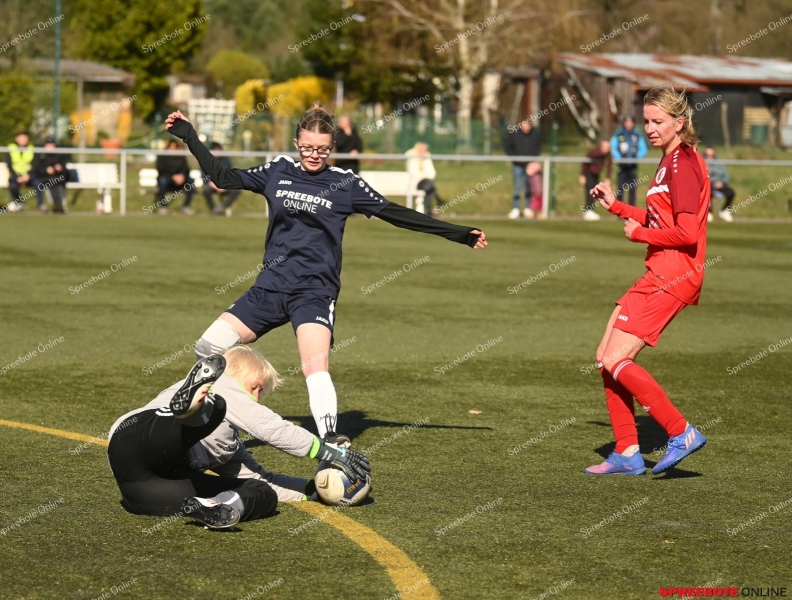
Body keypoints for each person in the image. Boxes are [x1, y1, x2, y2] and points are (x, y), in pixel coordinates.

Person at [164, 102, 487, 446]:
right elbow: (223, 178)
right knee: (208, 346)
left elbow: (396, 213)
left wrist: (458, 233)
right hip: (270, 287)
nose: (313, 154)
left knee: (314, 367)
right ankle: (209, 415)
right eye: (306, 147)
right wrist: (190, 136)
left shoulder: (346, 184)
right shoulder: (278, 170)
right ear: (296, 143)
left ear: (332, 147)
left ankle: (331, 440)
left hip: (314, 292)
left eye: (321, 148)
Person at [585, 83, 710, 476]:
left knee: (615, 358)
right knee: (605, 358)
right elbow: (663, 220)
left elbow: (687, 233)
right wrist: (618, 207)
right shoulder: (668, 160)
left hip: (673, 273)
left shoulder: (683, 163)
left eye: (658, 121)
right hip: (661, 270)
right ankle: (627, 450)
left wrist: (639, 234)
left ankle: (680, 431)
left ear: (679, 121)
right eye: (646, 121)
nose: (650, 128)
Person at [107, 349, 371, 529]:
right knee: (213, 408)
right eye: (255, 386)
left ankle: (219, 506)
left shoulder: (226, 443)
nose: (256, 397)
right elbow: (270, 427)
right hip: (136, 434)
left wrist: (312, 490)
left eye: (261, 392)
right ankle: (190, 411)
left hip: (141, 487)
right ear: (231, 372)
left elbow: (260, 478)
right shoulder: (224, 385)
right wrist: (330, 452)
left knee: (261, 491)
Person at [504, 120, 541, 219]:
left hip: (530, 166)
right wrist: (515, 158)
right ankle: (515, 208)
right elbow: (508, 147)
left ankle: (528, 208)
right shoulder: (514, 134)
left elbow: (537, 148)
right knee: (517, 186)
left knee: (529, 187)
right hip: (517, 165)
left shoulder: (535, 134)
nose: (526, 128)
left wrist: (532, 161)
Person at [610, 115, 648, 206]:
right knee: (620, 189)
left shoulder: (637, 135)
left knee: (632, 189)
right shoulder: (619, 134)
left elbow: (643, 149)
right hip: (622, 166)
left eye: (630, 122)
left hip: (633, 167)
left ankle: (632, 211)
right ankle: (618, 210)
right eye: (626, 122)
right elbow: (612, 147)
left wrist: (636, 158)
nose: (628, 124)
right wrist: (619, 158)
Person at [198, 142, 242, 217]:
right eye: (215, 150)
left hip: (225, 184)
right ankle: (213, 209)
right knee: (206, 189)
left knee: (236, 190)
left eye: (219, 149)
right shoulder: (205, 161)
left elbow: (229, 175)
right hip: (212, 185)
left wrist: (224, 185)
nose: (217, 152)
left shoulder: (226, 160)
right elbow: (205, 178)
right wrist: (217, 186)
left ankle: (221, 207)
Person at [5, 131, 44, 213]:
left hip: (30, 175)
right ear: (17, 139)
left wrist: (28, 175)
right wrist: (17, 176)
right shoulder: (11, 148)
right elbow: (9, 164)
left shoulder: (32, 148)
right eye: (21, 138)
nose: (23, 140)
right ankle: (19, 203)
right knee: (13, 185)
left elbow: (35, 164)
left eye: (25, 138)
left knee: (38, 183)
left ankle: (41, 205)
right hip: (15, 175)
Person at [32, 137, 71, 213]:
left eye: (52, 145)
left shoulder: (59, 155)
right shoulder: (40, 155)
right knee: (48, 182)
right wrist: (46, 170)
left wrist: (60, 168)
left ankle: (58, 205)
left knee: (55, 182)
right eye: (48, 145)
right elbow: (36, 170)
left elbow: (65, 171)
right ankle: (50, 205)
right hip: (43, 178)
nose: (50, 147)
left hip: (57, 178)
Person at [155, 140, 194, 215]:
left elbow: (186, 169)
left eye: (174, 148)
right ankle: (163, 207)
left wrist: (182, 176)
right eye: (170, 147)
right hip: (168, 181)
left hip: (180, 182)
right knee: (162, 181)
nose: (172, 150)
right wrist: (172, 177)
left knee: (191, 182)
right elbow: (161, 170)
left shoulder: (181, 157)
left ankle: (186, 207)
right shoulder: (162, 157)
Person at [406, 142, 445, 215]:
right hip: (416, 183)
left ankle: (429, 210)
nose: (425, 152)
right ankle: (437, 200)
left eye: (426, 150)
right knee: (429, 184)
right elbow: (414, 174)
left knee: (427, 186)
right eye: (423, 150)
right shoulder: (412, 158)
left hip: (426, 183)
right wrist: (425, 175)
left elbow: (432, 173)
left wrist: (425, 176)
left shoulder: (427, 158)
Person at [580, 140, 612, 221]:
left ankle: (590, 211)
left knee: (596, 192)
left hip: (596, 175)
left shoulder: (608, 155)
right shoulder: (593, 153)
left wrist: (607, 177)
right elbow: (585, 163)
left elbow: (609, 166)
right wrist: (582, 175)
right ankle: (588, 211)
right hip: (589, 174)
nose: (606, 149)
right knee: (590, 192)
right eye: (605, 147)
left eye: (608, 148)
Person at [703, 146, 734, 223]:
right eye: (708, 155)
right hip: (709, 184)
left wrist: (722, 183)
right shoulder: (703, 162)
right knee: (708, 193)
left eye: (711, 155)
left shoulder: (719, 163)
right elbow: (704, 176)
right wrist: (713, 183)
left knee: (731, 192)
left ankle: (725, 211)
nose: (709, 156)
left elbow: (726, 175)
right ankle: (708, 212)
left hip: (721, 184)